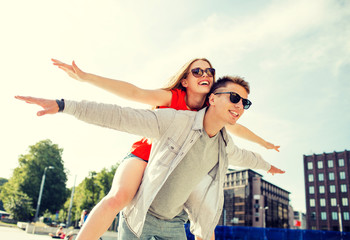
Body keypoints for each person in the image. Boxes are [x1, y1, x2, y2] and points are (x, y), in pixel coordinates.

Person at [15, 75, 285, 240]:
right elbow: (121, 115)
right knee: (117, 197)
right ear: (212, 98)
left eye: (245, 103)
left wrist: (269, 166)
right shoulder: (175, 119)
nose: (240, 106)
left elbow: (248, 157)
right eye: (235, 98)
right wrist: (65, 105)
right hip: (140, 219)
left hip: (175, 224)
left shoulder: (225, 146)